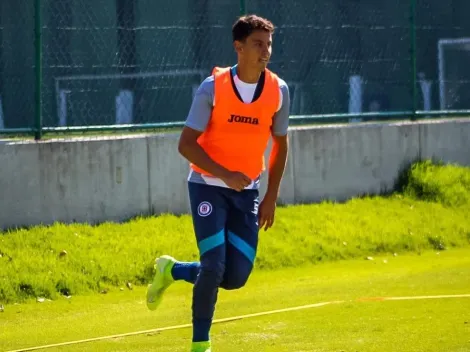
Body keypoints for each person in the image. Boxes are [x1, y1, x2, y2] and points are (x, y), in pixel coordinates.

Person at [146, 14, 290, 352]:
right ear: (238, 47)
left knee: (235, 276)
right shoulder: (213, 88)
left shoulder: (279, 91)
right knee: (213, 264)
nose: (265, 51)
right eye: (257, 44)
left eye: (268, 44)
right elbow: (186, 144)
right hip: (207, 187)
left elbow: (281, 144)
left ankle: (173, 271)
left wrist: (271, 195)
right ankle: (201, 344)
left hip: (247, 194)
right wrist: (224, 174)